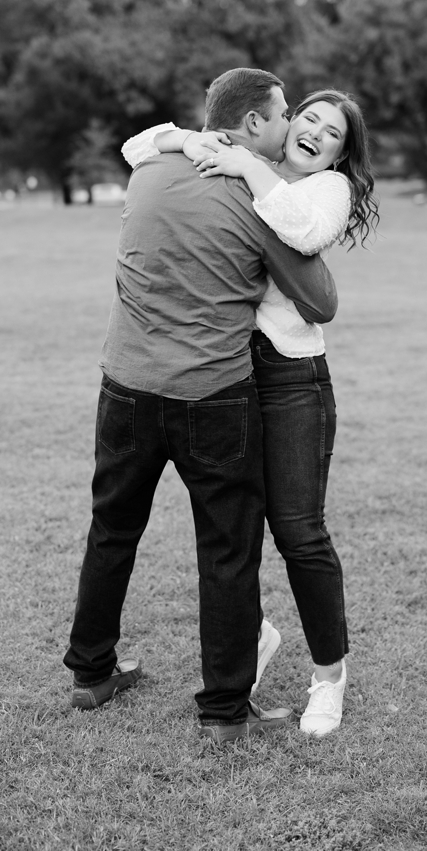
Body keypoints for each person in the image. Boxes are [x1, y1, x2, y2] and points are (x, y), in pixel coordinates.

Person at [63, 67, 338, 744]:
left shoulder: (149, 170)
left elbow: (146, 146)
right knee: (227, 551)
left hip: (124, 385)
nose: (288, 129)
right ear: (251, 124)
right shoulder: (254, 200)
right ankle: (222, 712)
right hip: (211, 396)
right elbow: (320, 299)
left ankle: (92, 674)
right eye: (281, 117)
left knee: (111, 530)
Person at [121, 88, 377, 738]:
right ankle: (252, 640)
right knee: (236, 532)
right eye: (308, 118)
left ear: (343, 155)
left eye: (333, 132)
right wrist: (188, 140)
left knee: (299, 533)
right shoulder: (236, 165)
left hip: (292, 382)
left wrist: (248, 167)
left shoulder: (324, 192)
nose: (315, 132)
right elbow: (135, 146)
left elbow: (303, 229)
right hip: (228, 373)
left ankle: (330, 677)